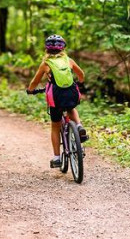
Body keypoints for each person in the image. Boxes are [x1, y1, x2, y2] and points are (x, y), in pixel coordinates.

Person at [26, 34, 88, 168]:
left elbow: (34, 82)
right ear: (63, 48)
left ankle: (57, 157)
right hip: (71, 93)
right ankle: (79, 126)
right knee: (71, 108)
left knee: (55, 125)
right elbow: (81, 74)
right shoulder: (68, 60)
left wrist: (30, 90)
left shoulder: (46, 64)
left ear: (47, 50)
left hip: (56, 96)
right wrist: (80, 83)